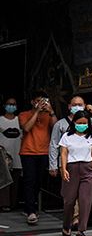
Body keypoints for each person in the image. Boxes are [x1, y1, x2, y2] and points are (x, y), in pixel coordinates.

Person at [58, 111, 92, 236]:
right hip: (72, 168)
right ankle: (66, 224)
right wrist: (63, 169)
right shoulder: (67, 136)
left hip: (87, 168)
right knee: (69, 200)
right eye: (79, 123)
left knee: (85, 200)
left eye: (84, 123)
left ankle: (81, 230)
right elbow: (64, 153)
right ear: (74, 122)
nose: (82, 125)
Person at [18, 92, 54, 225]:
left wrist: (51, 111)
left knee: (39, 181)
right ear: (33, 102)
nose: (41, 103)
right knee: (29, 180)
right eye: (38, 101)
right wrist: (37, 112)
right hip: (28, 152)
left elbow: (56, 127)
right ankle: (31, 212)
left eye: (43, 101)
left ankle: (30, 205)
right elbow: (26, 128)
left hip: (44, 152)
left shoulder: (47, 115)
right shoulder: (24, 114)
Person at [49, 95, 92, 176]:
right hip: (66, 164)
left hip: (86, 163)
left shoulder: (89, 122)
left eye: (80, 105)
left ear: (85, 106)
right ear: (69, 106)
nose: (77, 107)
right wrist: (53, 166)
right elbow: (53, 145)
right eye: (74, 105)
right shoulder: (60, 124)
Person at [0, 96, 22, 212]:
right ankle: (4, 204)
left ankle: (14, 204)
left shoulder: (20, 120)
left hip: (17, 155)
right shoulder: (0, 120)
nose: (11, 106)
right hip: (3, 156)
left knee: (15, 181)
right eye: (9, 104)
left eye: (13, 104)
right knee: (4, 182)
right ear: (4, 106)